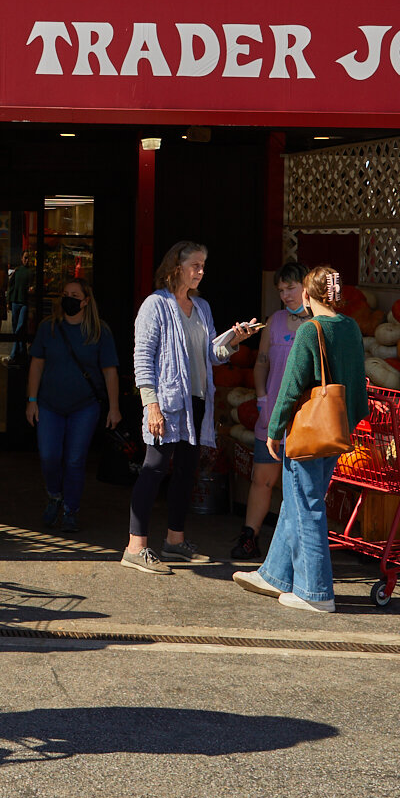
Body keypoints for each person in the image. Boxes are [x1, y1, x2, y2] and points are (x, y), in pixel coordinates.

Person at [234, 266, 369, 613]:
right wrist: (351, 421)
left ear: (307, 296)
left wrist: (275, 430)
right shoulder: (350, 327)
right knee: (297, 503)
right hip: (336, 428)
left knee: (306, 505)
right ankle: (275, 575)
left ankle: (316, 591)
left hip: (306, 431)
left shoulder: (310, 330)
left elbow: (291, 388)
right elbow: (358, 381)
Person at [124, 240, 261, 574]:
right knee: (154, 468)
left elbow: (212, 354)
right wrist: (150, 405)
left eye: (203, 265)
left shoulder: (201, 307)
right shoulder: (154, 306)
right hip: (167, 403)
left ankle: (174, 541)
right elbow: (142, 358)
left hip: (197, 403)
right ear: (176, 267)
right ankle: (135, 546)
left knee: (186, 472)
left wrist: (234, 339)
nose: (201, 271)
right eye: (195, 265)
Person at [25, 276, 119, 532]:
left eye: (75, 296)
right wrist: (31, 400)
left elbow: (110, 370)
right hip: (49, 405)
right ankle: (55, 495)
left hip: (84, 406)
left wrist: (114, 407)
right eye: (65, 294)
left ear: (86, 301)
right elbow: (37, 364)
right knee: (49, 456)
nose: (69, 299)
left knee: (75, 460)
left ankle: (71, 510)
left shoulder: (99, 331)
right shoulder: (49, 328)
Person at [232, 262, 309, 561]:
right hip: (272, 416)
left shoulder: (317, 323)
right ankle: (249, 536)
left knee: (298, 487)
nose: (286, 295)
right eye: (281, 291)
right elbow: (261, 361)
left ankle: (291, 550)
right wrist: (262, 399)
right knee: (262, 479)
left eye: (291, 288)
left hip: (304, 419)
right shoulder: (274, 321)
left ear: (307, 286)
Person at [6, 250, 36, 363]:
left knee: (19, 327)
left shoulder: (32, 272)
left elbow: (35, 285)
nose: (27, 260)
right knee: (16, 328)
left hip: (24, 302)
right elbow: (11, 286)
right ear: (21, 258)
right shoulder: (17, 271)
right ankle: (22, 352)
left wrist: (32, 289)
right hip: (15, 301)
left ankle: (14, 354)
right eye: (25, 258)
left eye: (28, 258)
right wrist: (8, 300)